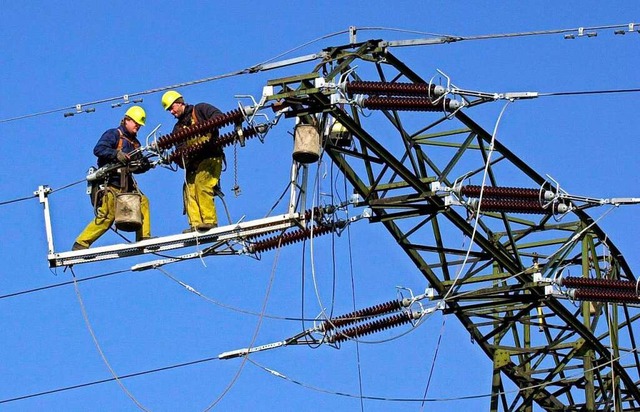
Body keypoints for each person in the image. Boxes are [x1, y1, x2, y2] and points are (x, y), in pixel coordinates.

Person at [72, 106, 152, 250]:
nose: (138, 127)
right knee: (107, 216)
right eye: (136, 124)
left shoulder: (135, 144)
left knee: (143, 202)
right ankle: (81, 243)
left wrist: (145, 164)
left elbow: (137, 167)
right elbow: (99, 149)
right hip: (111, 184)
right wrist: (116, 154)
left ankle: (143, 238)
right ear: (127, 120)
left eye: (140, 125)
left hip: (126, 187)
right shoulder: (114, 134)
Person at [161, 90, 223, 232]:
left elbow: (219, 117)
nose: (171, 112)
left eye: (171, 108)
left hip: (210, 157)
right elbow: (180, 149)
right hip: (194, 164)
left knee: (202, 184)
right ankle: (195, 224)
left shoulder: (200, 110)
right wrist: (179, 158)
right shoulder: (177, 129)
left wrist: (206, 128)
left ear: (180, 103)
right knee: (189, 190)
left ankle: (209, 221)